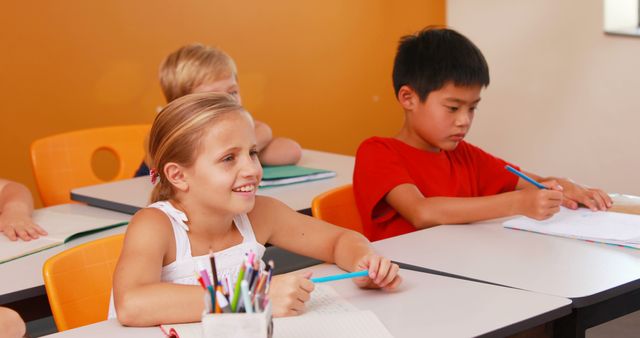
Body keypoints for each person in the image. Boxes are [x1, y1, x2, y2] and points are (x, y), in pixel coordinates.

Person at [113, 93, 401, 326]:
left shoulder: (260, 214)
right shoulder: (155, 225)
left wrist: (364, 263)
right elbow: (132, 304)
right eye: (228, 158)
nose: (252, 169)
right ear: (178, 176)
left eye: (252, 152)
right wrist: (253, 297)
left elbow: (340, 240)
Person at [353, 27, 612, 241]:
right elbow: (421, 212)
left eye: (472, 108)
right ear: (408, 98)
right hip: (407, 282)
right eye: (452, 108)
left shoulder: (464, 155)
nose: (464, 121)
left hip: (467, 275)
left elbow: (530, 184)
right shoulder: (377, 152)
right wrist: (518, 203)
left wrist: (561, 186)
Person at [135, 43, 301, 177]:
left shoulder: (240, 131)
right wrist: (240, 151)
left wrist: (239, 151)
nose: (228, 102)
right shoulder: (164, 135)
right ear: (181, 105)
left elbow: (291, 151)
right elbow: (159, 161)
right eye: (213, 97)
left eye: (232, 92)